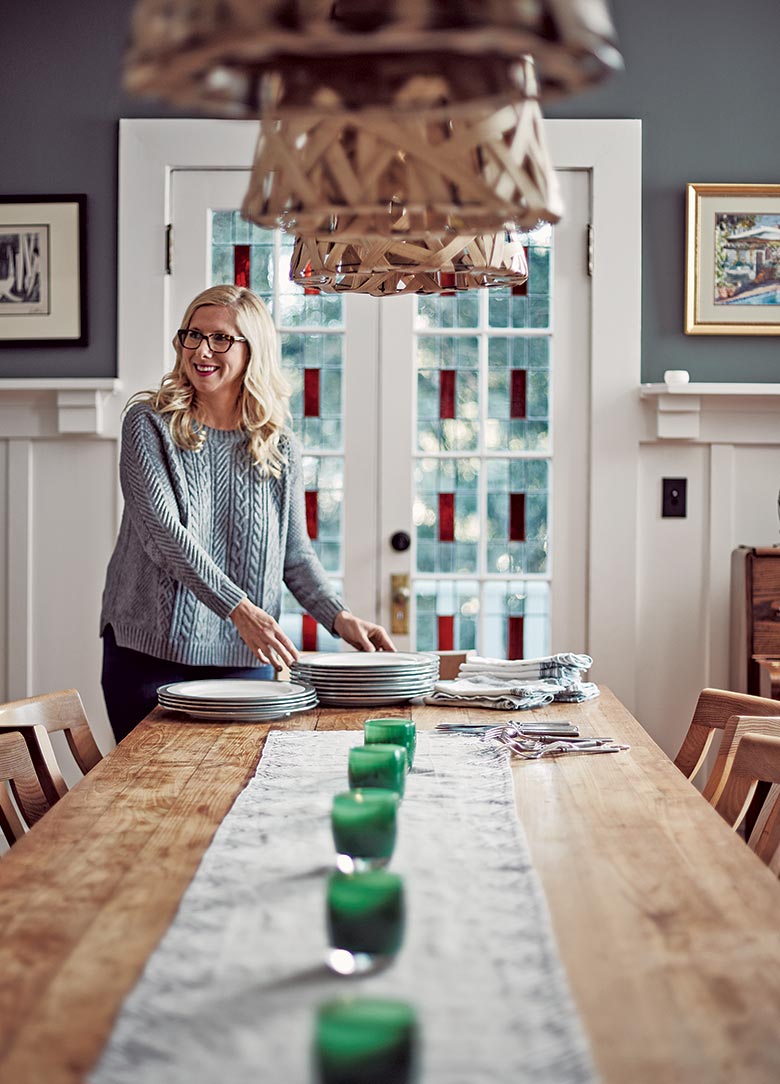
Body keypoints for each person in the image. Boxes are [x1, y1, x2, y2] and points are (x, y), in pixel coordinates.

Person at [100, 284, 394, 743]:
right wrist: (239, 608)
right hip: (150, 653)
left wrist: (339, 618)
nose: (202, 350)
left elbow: (294, 556)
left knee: (234, 788)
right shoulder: (148, 422)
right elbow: (164, 536)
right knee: (150, 797)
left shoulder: (279, 448)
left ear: (253, 350)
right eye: (192, 335)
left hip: (243, 659)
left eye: (221, 338)